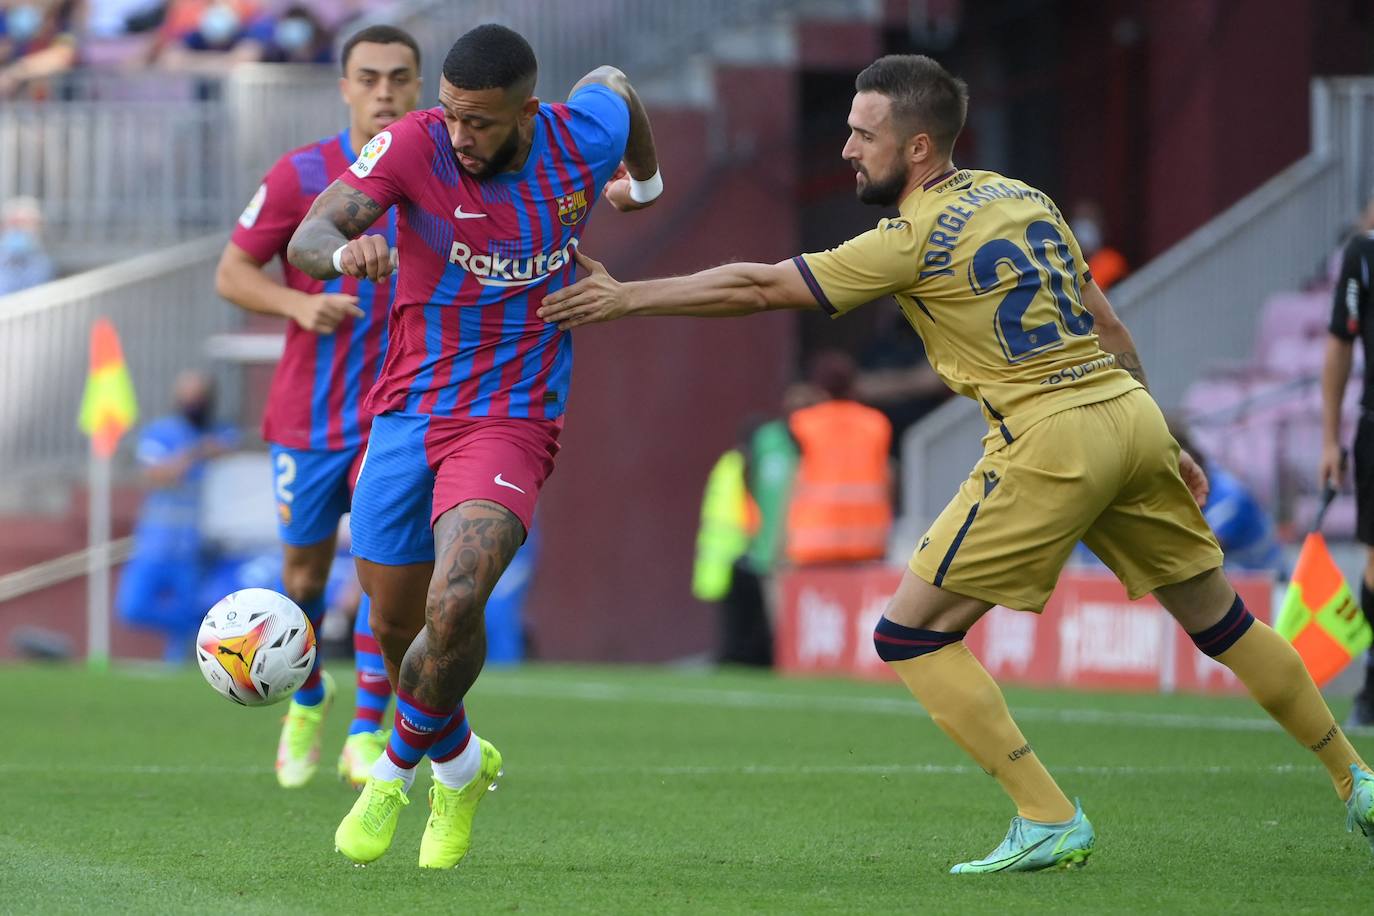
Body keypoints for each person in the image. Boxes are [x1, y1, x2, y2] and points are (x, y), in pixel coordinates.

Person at [540, 54, 1374, 870]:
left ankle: (1047, 816)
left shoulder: (910, 238)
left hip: (1050, 435)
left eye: (864, 135)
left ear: (918, 147)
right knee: (1223, 622)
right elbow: (1110, 326)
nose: (847, 149)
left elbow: (759, 287)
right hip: (1127, 413)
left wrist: (626, 297)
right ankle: (1355, 777)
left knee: (909, 633)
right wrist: (1167, 440)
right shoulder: (1025, 198)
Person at [287, 23, 660, 867]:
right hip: (409, 410)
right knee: (395, 624)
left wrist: (646, 179)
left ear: (528, 111)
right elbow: (309, 236)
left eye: (479, 122)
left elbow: (614, 80)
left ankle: (392, 777)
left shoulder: (580, 137)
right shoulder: (412, 145)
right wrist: (346, 252)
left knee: (455, 602)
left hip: (513, 414)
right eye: (451, 114)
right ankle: (460, 765)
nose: (459, 134)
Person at [214, 24, 421, 790]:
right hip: (308, 413)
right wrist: (298, 306)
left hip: (397, 411)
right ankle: (308, 698)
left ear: (419, 85)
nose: (384, 92)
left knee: (383, 573)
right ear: (344, 87)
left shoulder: (440, 176)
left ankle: (365, 732)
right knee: (302, 578)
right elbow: (233, 273)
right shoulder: (302, 174)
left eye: (399, 77)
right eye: (368, 77)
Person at [116, 371, 237, 661]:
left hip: (195, 546)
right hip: (155, 542)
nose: (194, 404)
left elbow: (237, 459)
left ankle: (178, 665)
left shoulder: (222, 433)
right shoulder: (161, 433)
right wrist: (195, 453)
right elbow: (156, 475)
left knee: (189, 606)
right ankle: (197, 628)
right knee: (132, 607)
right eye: (188, 397)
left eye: (199, 397)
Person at [1321, 214, 1374, 730]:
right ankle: (1373, 684)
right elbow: (1339, 345)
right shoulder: (1364, 256)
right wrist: (1329, 439)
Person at [785, 349, 893, 566]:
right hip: (867, 544)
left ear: (818, 388)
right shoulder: (876, 424)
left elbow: (791, 481)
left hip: (813, 545)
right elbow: (887, 477)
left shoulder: (802, 424)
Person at [0, 196, 55, 294]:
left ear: (38, 227)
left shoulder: (42, 266)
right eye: (14, 223)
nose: (18, 228)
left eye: (24, 223)